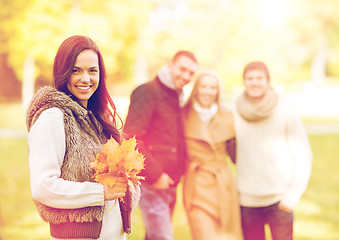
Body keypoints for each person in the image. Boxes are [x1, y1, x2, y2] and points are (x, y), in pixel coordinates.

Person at [26, 35, 139, 240]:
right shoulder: (52, 117)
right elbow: (43, 187)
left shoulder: (98, 119)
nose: (85, 79)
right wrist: (101, 192)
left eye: (92, 71)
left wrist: (128, 182)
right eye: (76, 70)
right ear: (62, 72)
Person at [123, 51, 198, 240]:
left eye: (191, 73)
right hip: (152, 183)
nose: (186, 76)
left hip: (171, 184)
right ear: (171, 65)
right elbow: (131, 139)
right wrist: (156, 175)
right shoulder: (148, 91)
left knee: (154, 236)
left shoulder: (177, 97)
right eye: (182, 69)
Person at [234, 61, 313, 240]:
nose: (254, 82)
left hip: (280, 199)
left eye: (259, 78)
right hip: (247, 201)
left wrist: (293, 194)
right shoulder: (235, 112)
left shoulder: (285, 110)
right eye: (250, 78)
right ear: (244, 81)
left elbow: (302, 153)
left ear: (268, 81)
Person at [182, 70, 242, 240]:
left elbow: (236, 155)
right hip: (197, 186)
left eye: (213, 88)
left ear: (218, 91)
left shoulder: (228, 117)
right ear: (196, 89)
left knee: (228, 236)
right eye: (204, 86)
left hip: (223, 185)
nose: (208, 92)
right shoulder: (183, 115)